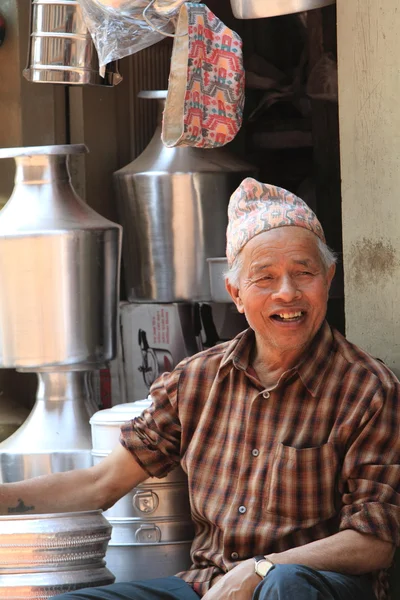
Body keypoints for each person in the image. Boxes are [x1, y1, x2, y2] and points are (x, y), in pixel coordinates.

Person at [0, 178, 399, 600]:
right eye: (265, 278)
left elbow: (373, 541)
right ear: (236, 293)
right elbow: (101, 483)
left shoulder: (368, 389)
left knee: (285, 585)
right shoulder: (197, 381)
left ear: (329, 279)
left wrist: (261, 568)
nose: (287, 292)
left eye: (304, 273)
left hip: (305, 588)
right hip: (208, 589)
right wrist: (5, 498)